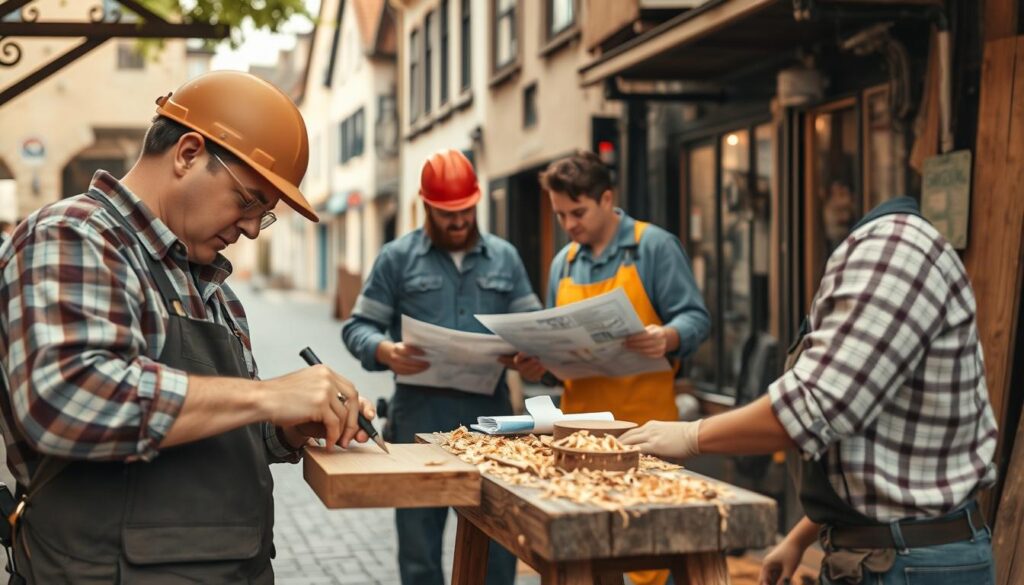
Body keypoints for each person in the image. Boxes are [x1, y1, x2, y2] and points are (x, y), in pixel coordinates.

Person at [0, 70, 375, 583]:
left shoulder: (215, 288)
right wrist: (268, 397)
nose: (248, 228)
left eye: (262, 216)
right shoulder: (74, 237)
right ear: (188, 153)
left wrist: (289, 425)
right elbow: (67, 400)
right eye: (248, 201)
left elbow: (218, 426)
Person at [620, 196, 998, 585]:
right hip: (883, 548)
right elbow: (870, 442)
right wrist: (803, 534)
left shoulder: (893, 251)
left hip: (912, 562)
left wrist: (690, 434)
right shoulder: (878, 250)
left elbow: (817, 405)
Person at [342, 149, 542, 585]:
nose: (458, 222)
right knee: (419, 550)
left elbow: (534, 329)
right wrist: (384, 351)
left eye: (466, 211)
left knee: (498, 547)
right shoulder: (396, 258)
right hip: (417, 419)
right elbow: (358, 326)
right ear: (426, 206)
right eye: (447, 213)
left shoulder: (505, 258)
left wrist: (532, 356)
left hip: (492, 425)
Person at [511, 150, 710, 585]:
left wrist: (667, 336)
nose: (569, 225)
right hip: (578, 438)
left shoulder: (653, 246)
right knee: (587, 556)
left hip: (648, 432)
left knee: (651, 551)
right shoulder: (562, 263)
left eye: (577, 212)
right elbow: (556, 350)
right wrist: (538, 367)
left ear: (606, 199)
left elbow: (697, 319)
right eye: (560, 215)